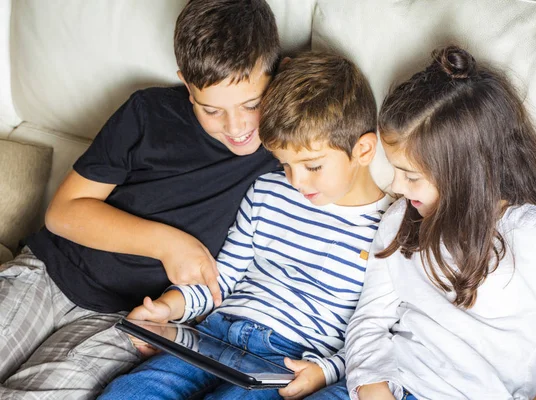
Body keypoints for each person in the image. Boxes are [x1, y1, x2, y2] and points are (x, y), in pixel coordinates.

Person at [0, 0, 281, 398]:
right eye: (212, 110)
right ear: (187, 85)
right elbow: (63, 213)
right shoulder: (148, 112)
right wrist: (169, 244)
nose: (236, 127)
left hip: (124, 320)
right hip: (49, 273)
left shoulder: (288, 145)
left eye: (252, 104)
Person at [99, 52, 393, 400]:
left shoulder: (390, 231)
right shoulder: (267, 190)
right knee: (129, 392)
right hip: (214, 333)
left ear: (363, 150)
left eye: (312, 166)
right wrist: (168, 308)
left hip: (289, 358)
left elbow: (375, 335)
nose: (296, 180)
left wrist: (326, 371)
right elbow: (221, 279)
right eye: (285, 163)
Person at [344, 45, 536, 400]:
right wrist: (373, 389)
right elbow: (369, 320)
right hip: (388, 386)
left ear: (465, 172)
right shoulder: (402, 220)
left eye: (411, 176)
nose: (395, 187)